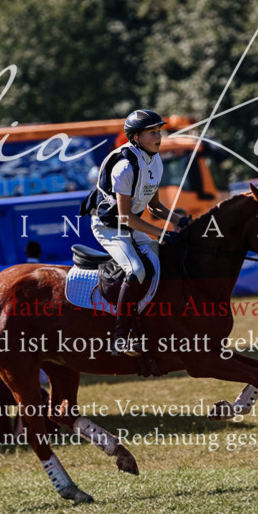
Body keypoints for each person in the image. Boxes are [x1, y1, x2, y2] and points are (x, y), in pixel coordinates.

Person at [83, 109, 188, 373]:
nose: (159, 136)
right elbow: (127, 218)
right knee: (137, 269)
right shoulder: (124, 166)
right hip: (109, 227)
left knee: (160, 261)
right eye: (153, 132)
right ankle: (120, 336)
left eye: (159, 131)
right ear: (137, 137)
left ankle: (152, 326)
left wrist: (179, 220)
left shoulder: (155, 161)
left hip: (131, 223)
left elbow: (153, 207)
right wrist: (162, 234)